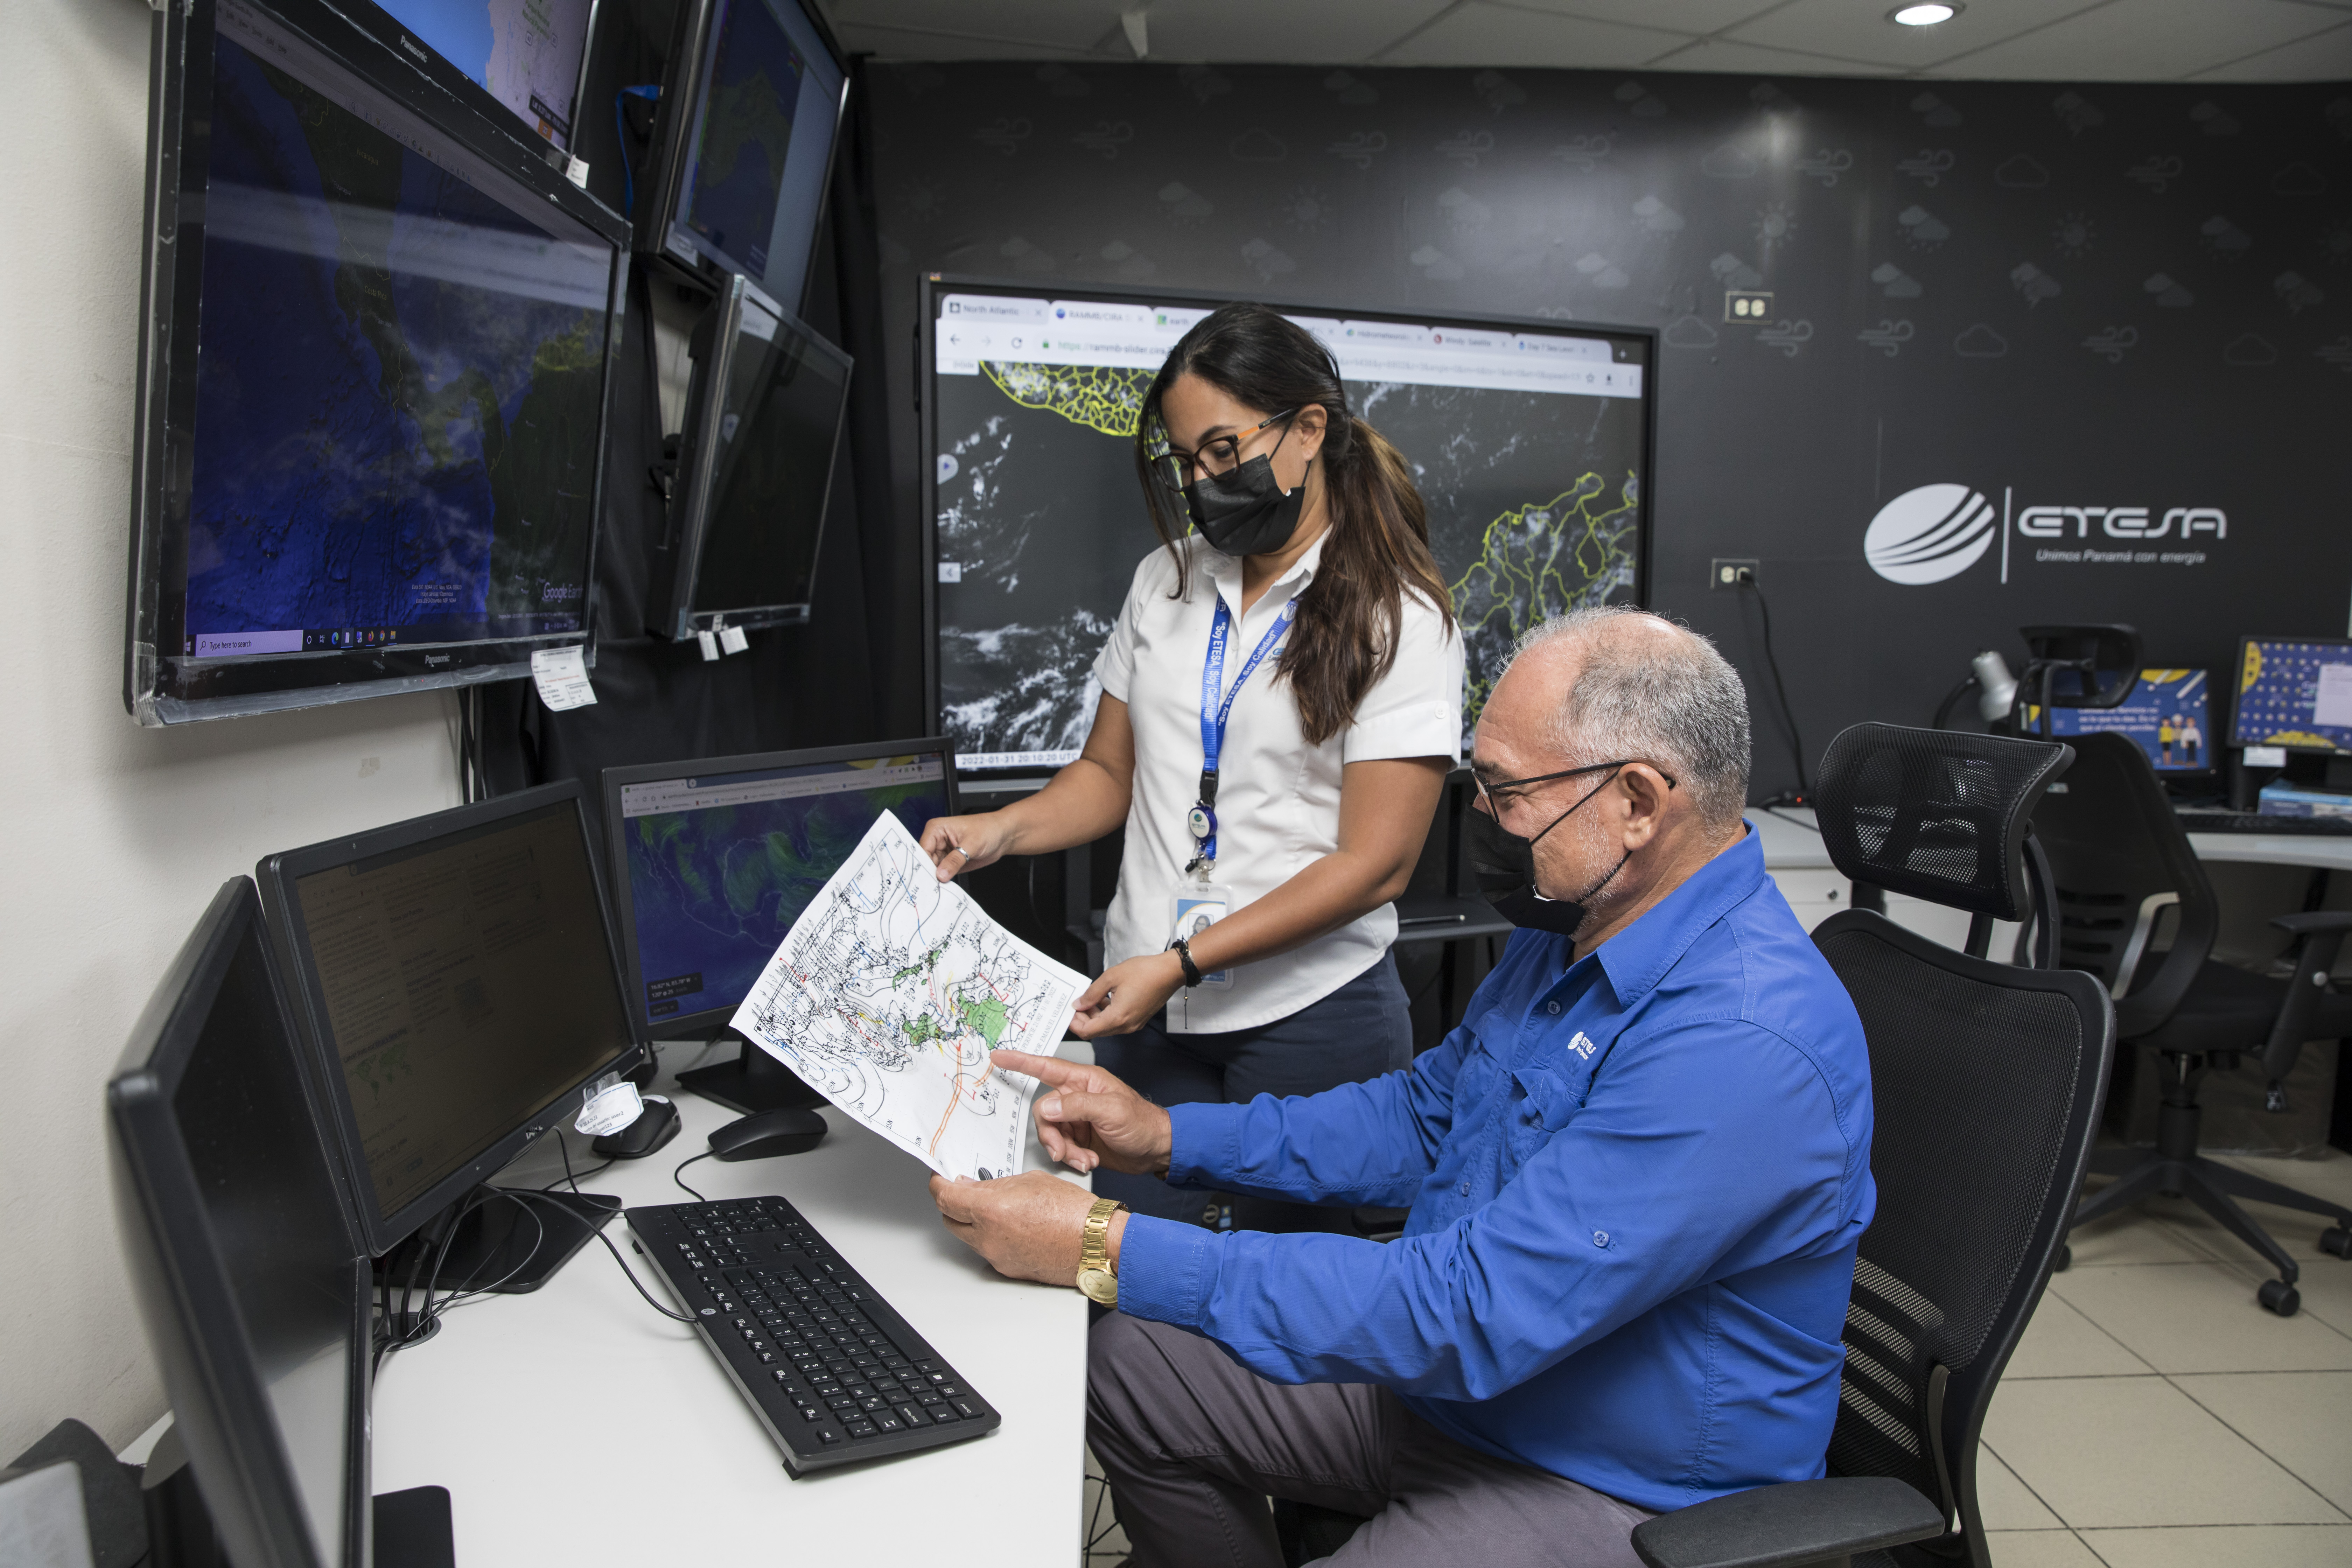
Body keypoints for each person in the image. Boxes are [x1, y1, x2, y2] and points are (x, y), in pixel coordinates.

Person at [928, 608, 1876, 1568]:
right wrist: (1169, 1139)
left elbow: (1466, 1312)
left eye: (1507, 792)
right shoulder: (1576, 925)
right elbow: (1424, 1118)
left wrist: (1102, 1245)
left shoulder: (1742, 1042)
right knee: (1134, 1371)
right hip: (1459, 1399)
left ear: (1637, 801)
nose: (1481, 822)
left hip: (1613, 1480)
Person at [919, 303, 1465, 1232]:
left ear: (1307, 430)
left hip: (1312, 1017)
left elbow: (1378, 864)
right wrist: (998, 831)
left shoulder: (1400, 615)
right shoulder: (1165, 580)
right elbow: (1107, 773)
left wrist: (1183, 962)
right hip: (1149, 1015)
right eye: (1184, 462)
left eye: (1221, 451)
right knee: (1124, 1279)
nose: (1202, 483)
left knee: (1294, 1317)